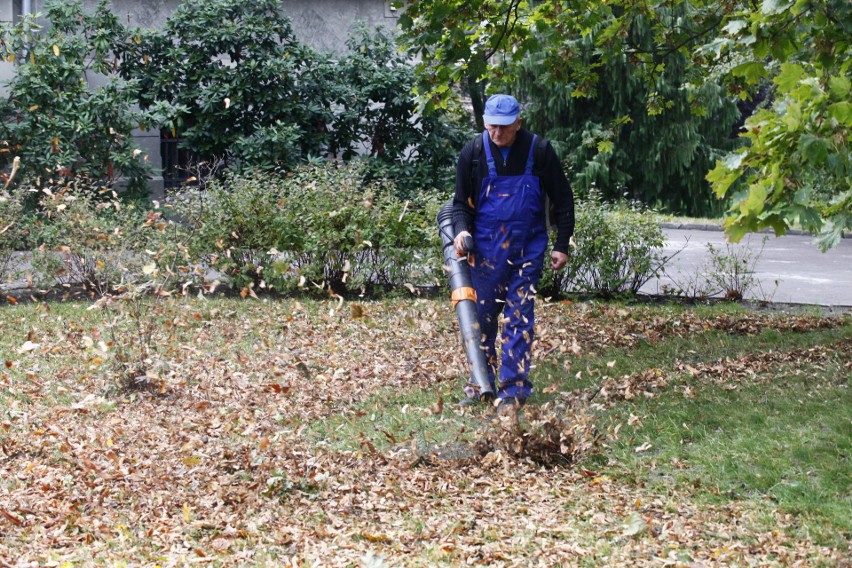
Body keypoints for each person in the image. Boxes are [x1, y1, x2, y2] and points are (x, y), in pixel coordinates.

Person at [452, 94, 574, 410]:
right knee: (483, 318)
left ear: (519, 123)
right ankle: (481, 381)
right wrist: (462, 230)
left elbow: (563, 199)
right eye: (492, 127)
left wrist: (562, 245)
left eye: (504, 128)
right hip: (486, 253)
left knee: (519, 317)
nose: (497, 134)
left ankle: (514, 390)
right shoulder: (474, 152)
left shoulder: (541, 151)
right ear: (484, 123)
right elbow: (459, 204)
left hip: (527, 251)